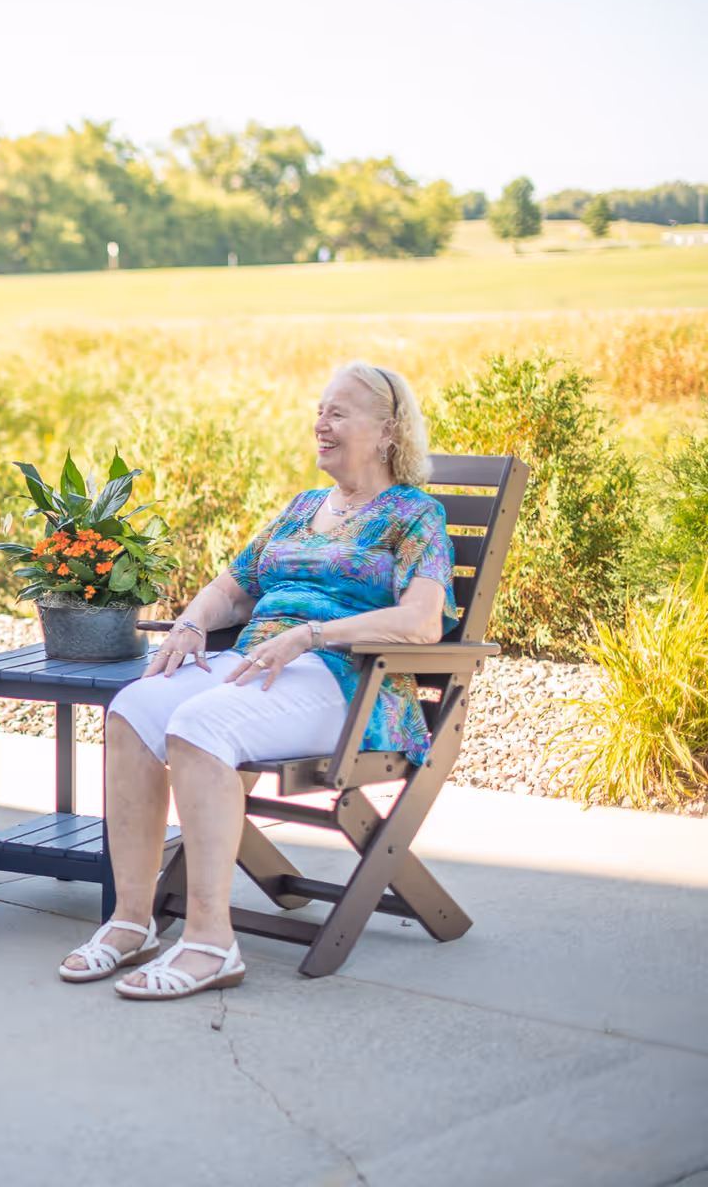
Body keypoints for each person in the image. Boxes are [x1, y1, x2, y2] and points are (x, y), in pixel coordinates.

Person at [57, 362, 456, 999]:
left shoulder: (414, 515)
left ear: (387, 431)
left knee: (199, 723)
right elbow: (235, 586)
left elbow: (423, 619)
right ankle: (133, 920)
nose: (320, 425)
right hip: (260, 662)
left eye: (338, 413)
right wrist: (191, 624)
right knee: (134, 709)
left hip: (345, 681)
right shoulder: (300, 509)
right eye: (319, 410)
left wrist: (311, 634)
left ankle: (212, 944)